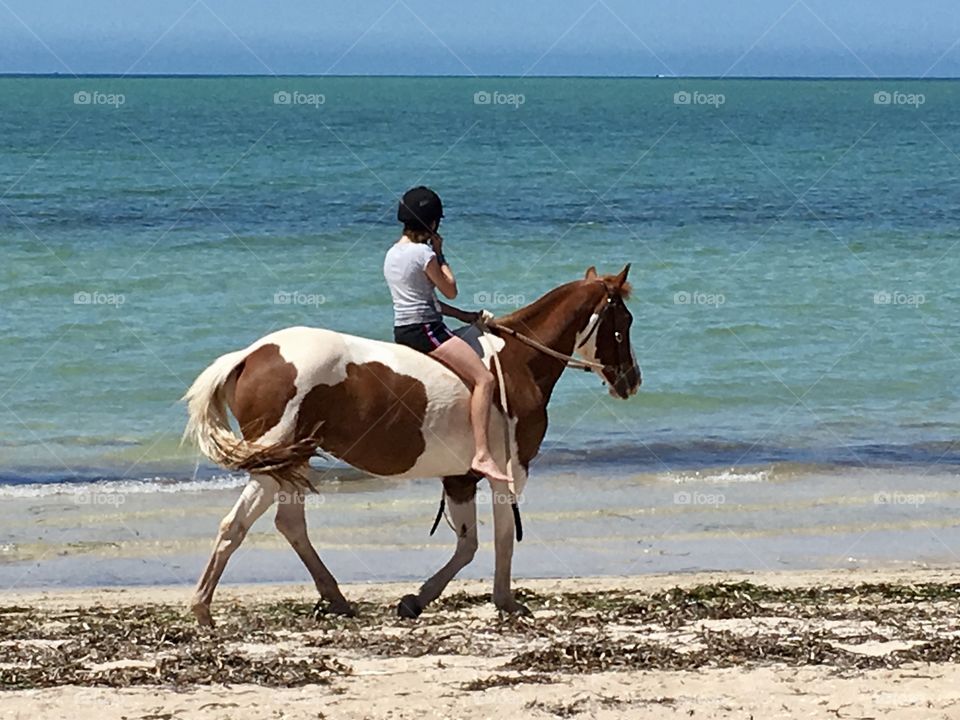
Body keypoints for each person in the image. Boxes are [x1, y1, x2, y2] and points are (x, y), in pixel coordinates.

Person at [384, 186, 511, 485]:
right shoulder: (424, 254)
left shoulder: (392, 253)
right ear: (432, 224)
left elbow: (427, 300)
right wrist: (440, 253)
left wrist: (465, 316)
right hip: (427, 331)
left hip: (403, 329)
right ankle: (482, 454)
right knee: (485, 379)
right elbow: (450, 288)